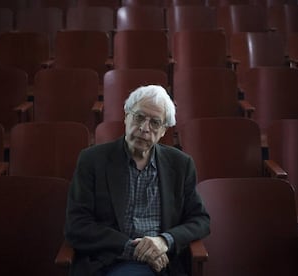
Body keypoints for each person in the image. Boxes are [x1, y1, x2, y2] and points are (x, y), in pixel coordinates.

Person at [65, 85, 210, 275]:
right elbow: (77, 225)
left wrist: (164, 240)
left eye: (155, 123)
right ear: (126, 116)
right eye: (139, 117)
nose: (144, 128)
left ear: (164, 130)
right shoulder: (93, 160)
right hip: (110, 261)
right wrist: (132, 248)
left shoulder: (181, 165)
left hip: (163, 264)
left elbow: (200, 220)